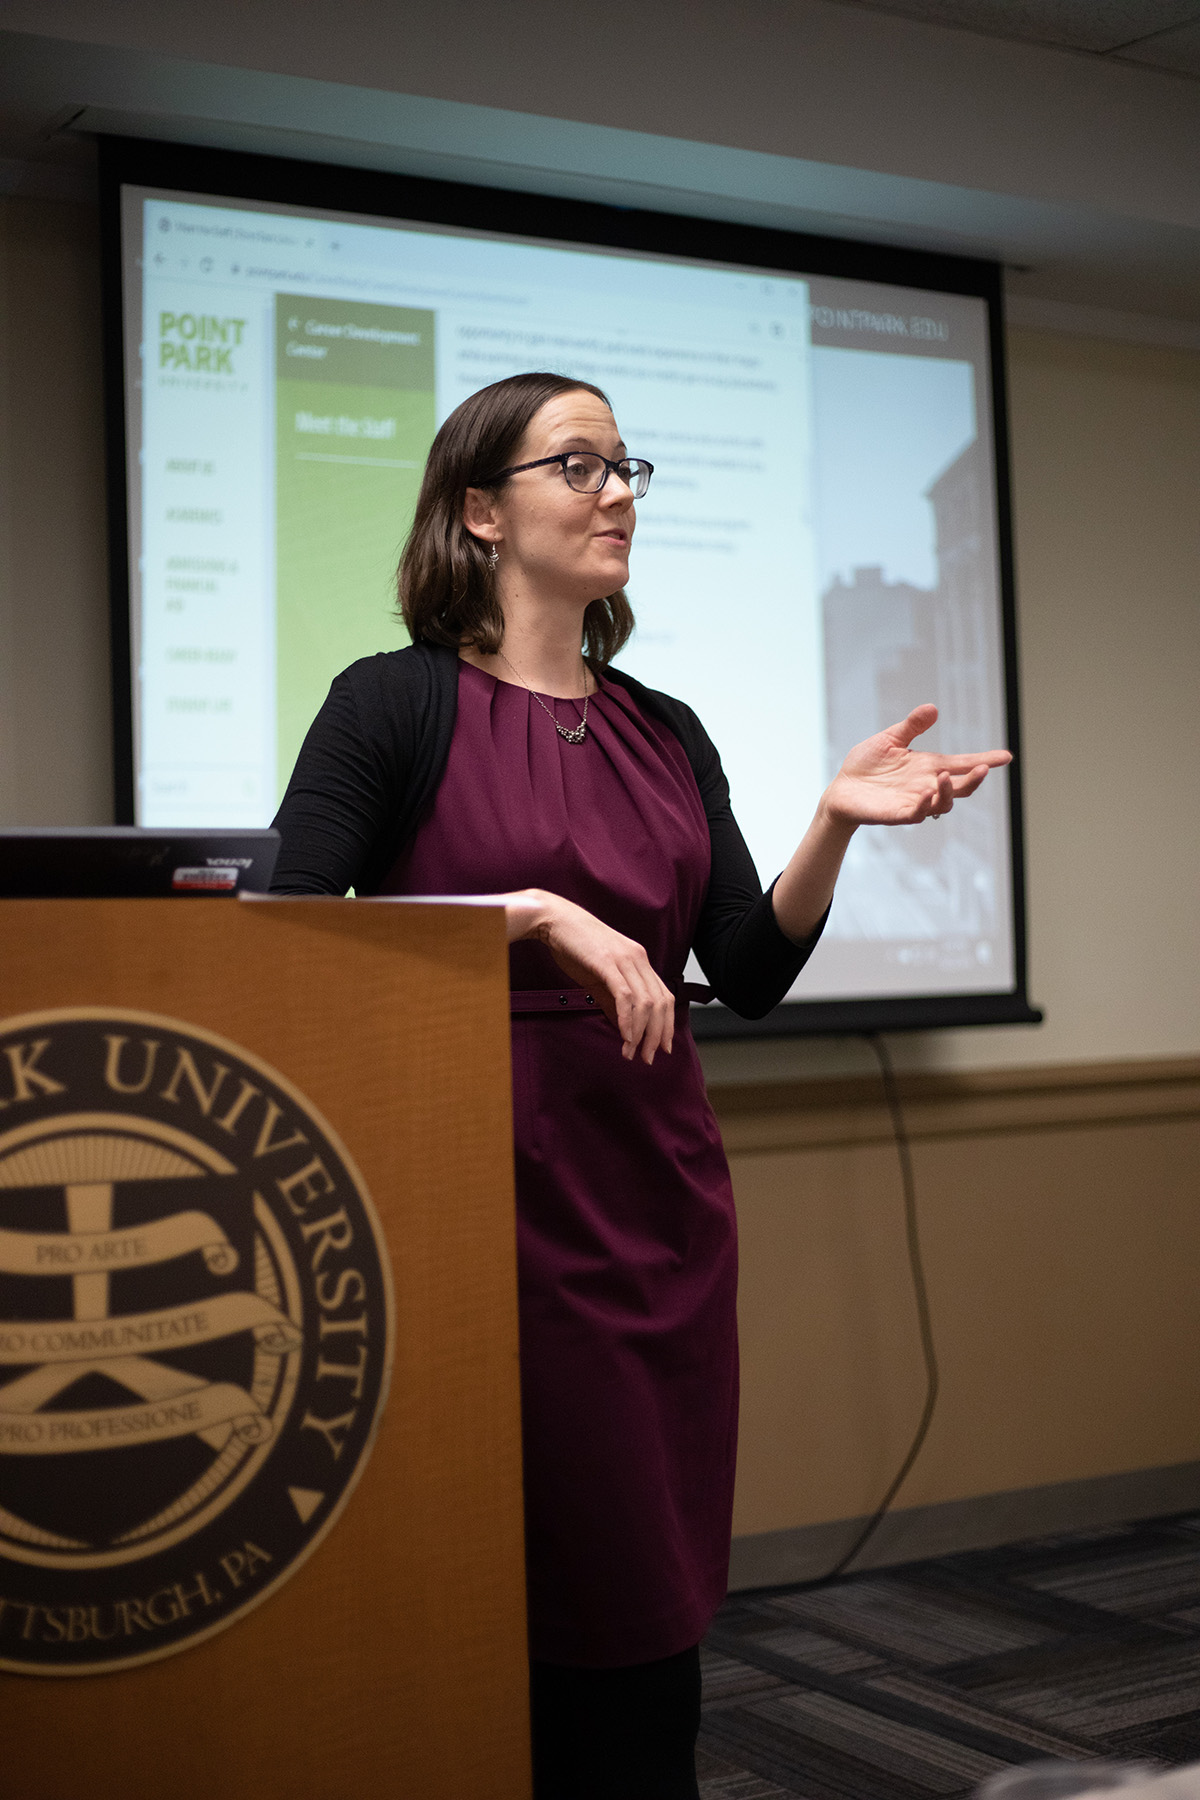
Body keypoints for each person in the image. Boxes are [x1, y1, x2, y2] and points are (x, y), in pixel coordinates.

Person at [270, 370, 1011, 1798]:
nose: (618, 491)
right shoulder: (394, 703)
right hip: (480, 1212)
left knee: (644, 1621)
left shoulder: (664, 727)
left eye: (628, 467)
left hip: (658, 1209)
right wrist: (532, 914)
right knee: (504, 1607)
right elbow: (293, 934)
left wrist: (832, 826)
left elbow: (746, 962)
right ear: (480, 511)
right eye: (579, 465)